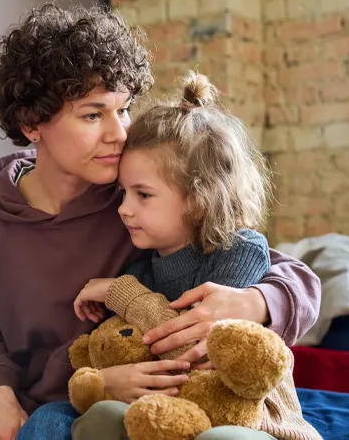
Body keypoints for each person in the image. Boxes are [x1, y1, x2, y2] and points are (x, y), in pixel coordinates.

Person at [0, 3, 320, 440]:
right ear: (32, 124)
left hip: (96, 401)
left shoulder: (137, 201)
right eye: (94, 114)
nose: (119, 132)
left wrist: (254, 303)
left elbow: (282, 271)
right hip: (25, 398)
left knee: (48, 426)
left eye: (124, 108)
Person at [69, 72, 316, 440]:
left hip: (251, 419)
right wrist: (104, 379)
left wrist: (120, 293)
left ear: (200, 202)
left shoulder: (239, 250)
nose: (124, 209)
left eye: (143, 195)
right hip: (170, 412)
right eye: (123, 193)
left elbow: (193, 346)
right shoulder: (140, 271)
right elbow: (131, 351)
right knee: (100, 416)